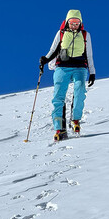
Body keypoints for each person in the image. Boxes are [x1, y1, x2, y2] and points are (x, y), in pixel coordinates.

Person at [39, 9, 96, 141]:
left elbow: (89, 55)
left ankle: (75, 120)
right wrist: (45, 59)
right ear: (67, 22)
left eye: (77, 23)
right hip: (62, 67)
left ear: (80, 23)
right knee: (58, 97)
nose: (74, 25)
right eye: (72, 22)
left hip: (80, 67)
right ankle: (60, 128)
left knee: (80, 91)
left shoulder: (86, 35)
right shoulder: (61, 33)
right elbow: (53, 50)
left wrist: (92, 72)